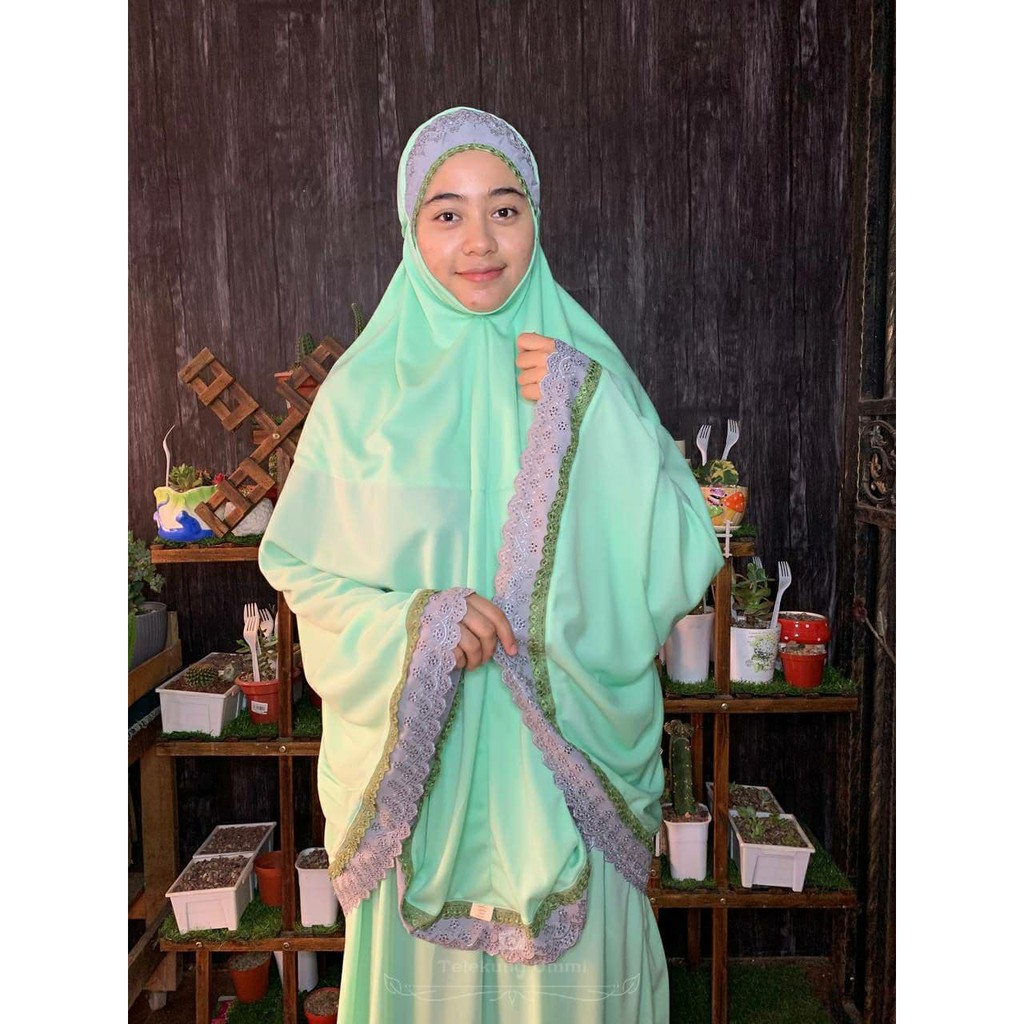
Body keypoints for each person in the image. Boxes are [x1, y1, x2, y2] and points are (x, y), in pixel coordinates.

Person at [258, 106, 723, 1023]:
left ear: (534, 222)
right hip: (426, 789)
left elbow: (682, 551)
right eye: (448, 213)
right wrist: (419, 625)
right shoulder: (360, 397)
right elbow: (303, 571)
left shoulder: (585, 371)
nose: (479, 241)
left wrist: (596, 417)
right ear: (411, 229)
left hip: (564, 784)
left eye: (505, 210)